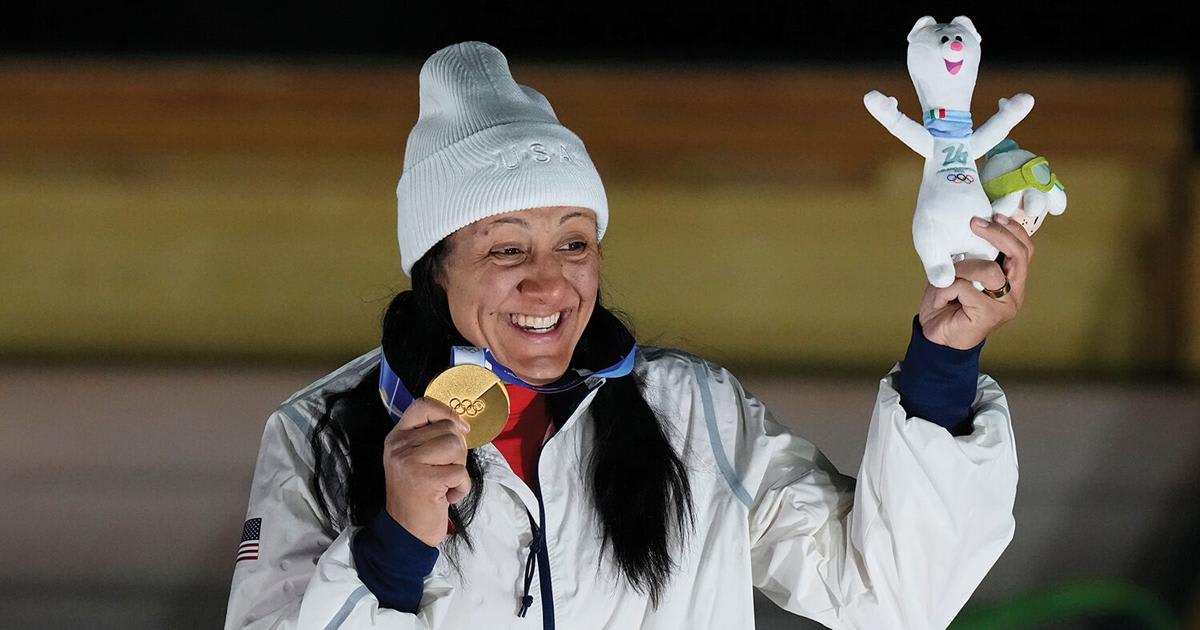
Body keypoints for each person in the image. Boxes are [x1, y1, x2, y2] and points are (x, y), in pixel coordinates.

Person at [224, 41, 1039, 629]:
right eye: (507, 248)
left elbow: (892, 599)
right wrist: (395, 547)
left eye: (574, 242)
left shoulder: (694, 415)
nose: (549, 283)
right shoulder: (321, 436)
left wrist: (944, 363)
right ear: (435, 266)